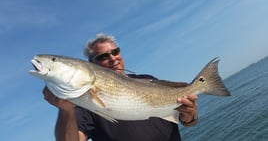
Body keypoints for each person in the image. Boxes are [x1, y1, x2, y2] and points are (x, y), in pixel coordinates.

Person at [43, 33, 198, 141]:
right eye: (103, 56)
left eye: (115, 51)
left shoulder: (148, 80)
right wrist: (66, 111)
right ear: (92, 65)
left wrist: (190, 115)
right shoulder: (84, 102)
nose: (112, 58)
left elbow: (187, 120)